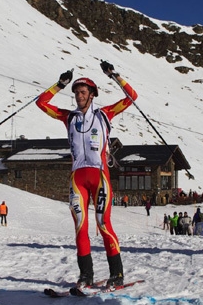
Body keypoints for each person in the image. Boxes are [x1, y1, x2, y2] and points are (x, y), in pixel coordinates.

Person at [36, 61, 136, 289]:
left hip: (100, 177)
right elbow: (41, 103)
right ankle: (86, 275)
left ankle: (117, 274)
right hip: (77, 178)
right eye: (76, 93)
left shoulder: (104, 114)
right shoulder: (68, 117)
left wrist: (115, 76)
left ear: (92, 95)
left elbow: (131, 97)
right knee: (80, 227)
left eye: (82, 92)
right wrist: (60, 85)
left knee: (103, 224)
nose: (78, 96)